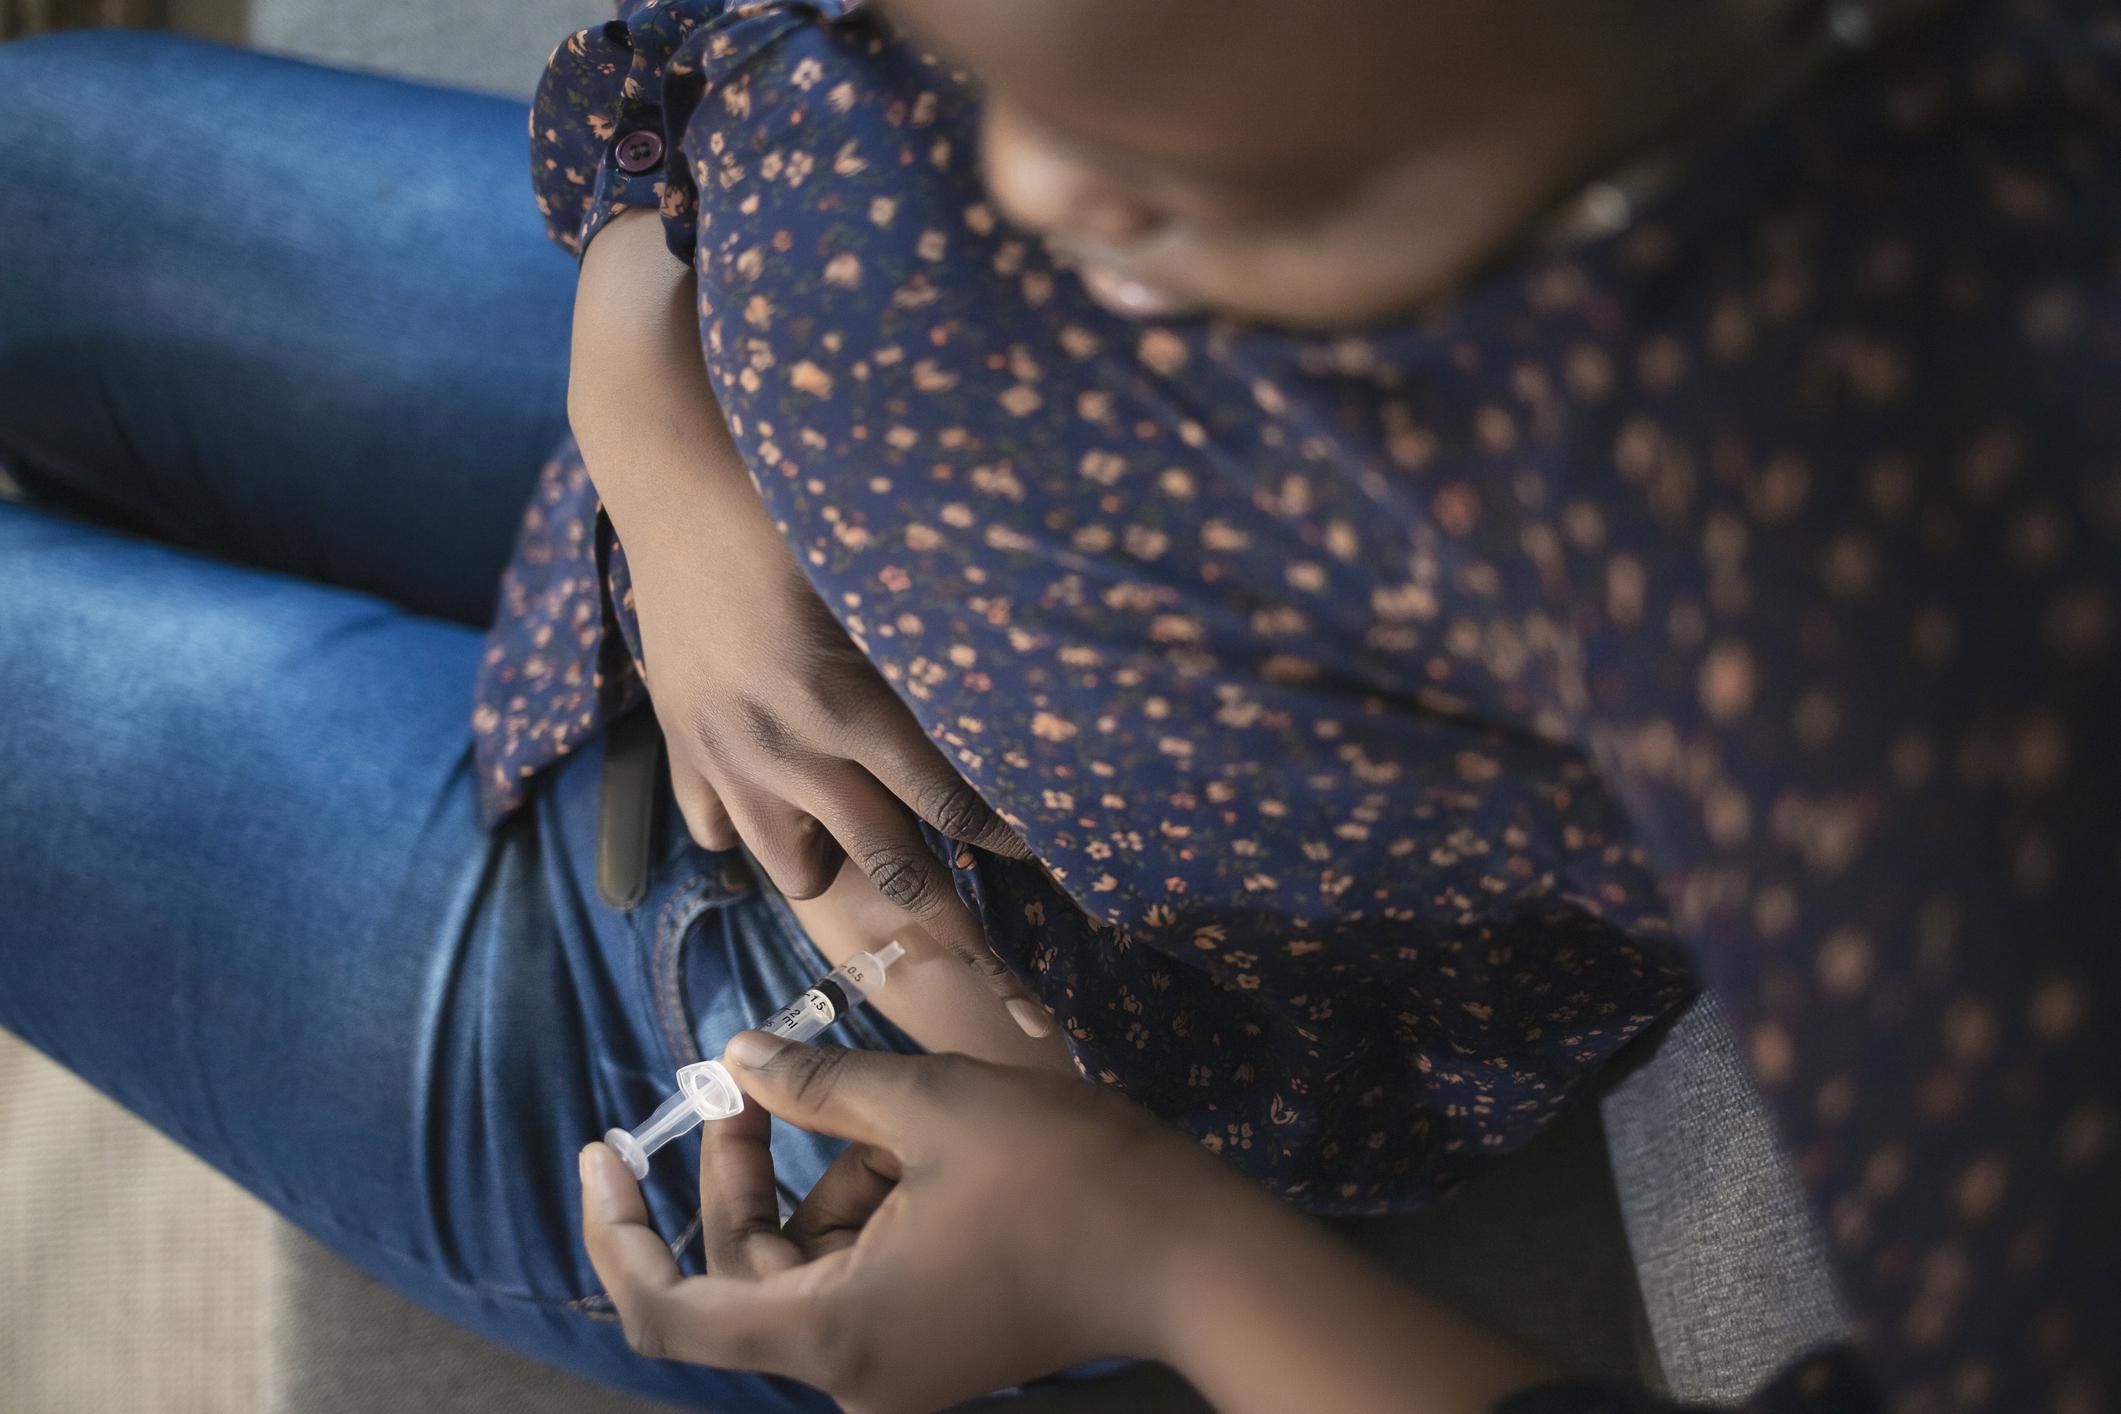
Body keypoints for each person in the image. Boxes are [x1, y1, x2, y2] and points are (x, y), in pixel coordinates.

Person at [539, 0, 2117, 1408]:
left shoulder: (1861, 564)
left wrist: (1148, 1254)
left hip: (864, 1065)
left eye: (1233, 193)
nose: (1030, 187)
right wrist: (641, 415)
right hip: (608, 484)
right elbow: (693, 39)